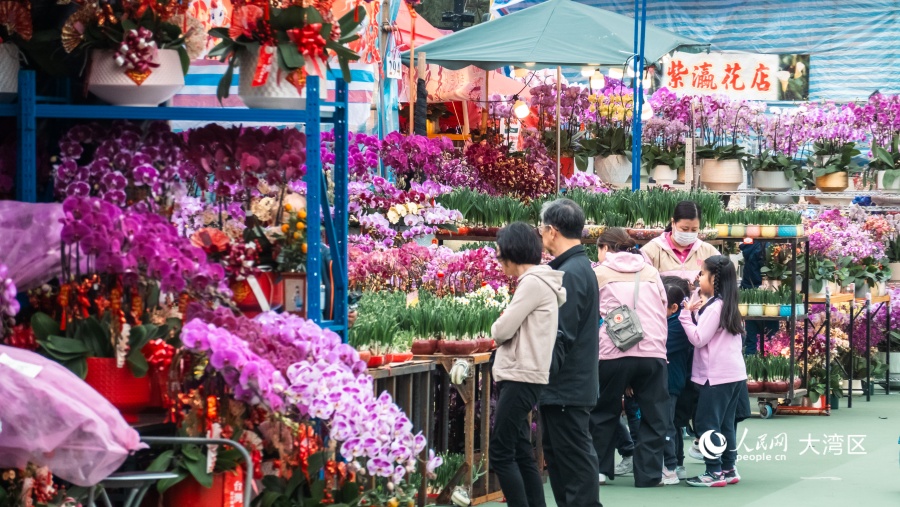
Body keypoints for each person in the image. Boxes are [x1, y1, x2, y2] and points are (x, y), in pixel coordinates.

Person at [489, 222, 567, 507]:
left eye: (499, 254)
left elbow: (502, 329)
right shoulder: (539, 282)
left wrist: (496, 325)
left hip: (522, 374)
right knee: (521, 449)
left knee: (500, 451)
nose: (498, 261)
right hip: (527, 374)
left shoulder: (533, 283)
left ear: (512, 252)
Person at [590, 228, 671, 488]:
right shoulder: (650, 271)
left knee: (604, 410)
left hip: (613, 351)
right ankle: (648, 475)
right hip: (653, 351)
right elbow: (662, 307)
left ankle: (600, 470)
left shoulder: (598, 273)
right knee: (654, 414)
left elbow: (588, 314)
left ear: (604, 248)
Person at [537, 199, 602, 507]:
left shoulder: (572, 272)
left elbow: (561, 333)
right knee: (562, 459)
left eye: (541, 229)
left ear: (552, 231)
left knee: (574, 460)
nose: (540, 235)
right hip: (566, 385)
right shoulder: (575, 266)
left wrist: (542, 375)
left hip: (566, 386)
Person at [679, 256, 747, 487]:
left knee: (707, 423)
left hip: (714, 376)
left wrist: (685, 316)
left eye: (702, 274)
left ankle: (713, 472)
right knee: (725, 423)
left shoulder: (715, 307)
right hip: (733, 375)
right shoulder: (727, 304)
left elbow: (699, 338)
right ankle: (728, 467)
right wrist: (696, 299)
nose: (699, 278)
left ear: (714, 278)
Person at [660, 276, 692, 482]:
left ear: (673, 306)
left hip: (671, 381)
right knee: (672, 422)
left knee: (668, 423)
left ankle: (670, 466)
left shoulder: (678, 325)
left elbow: (660, 347)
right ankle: (677, 463)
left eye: (661, 303)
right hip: (671, 379)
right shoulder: (673, 320)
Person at [641, 200, 719, 283]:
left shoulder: (708, 251)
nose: (689, 233)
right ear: (673, 223)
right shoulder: (652, 250)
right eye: (684, 229)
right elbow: (643, 284)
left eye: (694, 230)